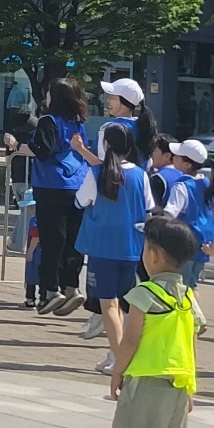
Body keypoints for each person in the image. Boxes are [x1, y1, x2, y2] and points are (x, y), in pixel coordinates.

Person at [83, 215, 201, 428]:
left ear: (154, 255)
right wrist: (191, 385)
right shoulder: (188, 298)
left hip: (145, 380)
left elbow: (130, 340)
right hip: (177, 384)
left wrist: (117, 370)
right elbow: (192, 344)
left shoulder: (144, 294)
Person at [75, 123, 152, 376]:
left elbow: (80, 200)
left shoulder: (98, 172)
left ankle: (120, 359)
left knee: (109, 304)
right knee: (124, 304)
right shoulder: (141, 174)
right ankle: (121, 355)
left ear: (106, 144)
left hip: (102, 246)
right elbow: (149, 207)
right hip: (132, 246)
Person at [30, 79, 92, 316]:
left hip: (50, 184)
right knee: (73, 240)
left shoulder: (49, 121)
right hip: (78, 184)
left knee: (52, 239)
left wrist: (28, 141)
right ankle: (72, 286)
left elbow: (43, 151)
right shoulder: (78, 123)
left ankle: (50, 291)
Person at [160, 140, 214, 288]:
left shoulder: (181, 186)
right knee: (191, 287)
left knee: (179, 288)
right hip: (204, 244)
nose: (174, 157)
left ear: (187, 164)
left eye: (178, 156)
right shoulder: (207, 183)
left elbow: (169, 214)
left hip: (184, 245)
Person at [98, 78, 156, 166]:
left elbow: (102, 164)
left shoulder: (109, 128)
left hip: (115, 179)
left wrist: (81, 148)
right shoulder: (144, 125)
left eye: (112, 97)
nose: (108, 100)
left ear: (125, 103)